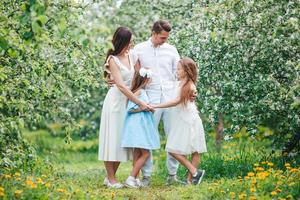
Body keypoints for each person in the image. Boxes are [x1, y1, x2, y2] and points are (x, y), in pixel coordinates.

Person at [98, 27, 152, 188]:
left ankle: (110, 177)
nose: (132, 44)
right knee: (112, 139)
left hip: (129, 101)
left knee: (123, 139)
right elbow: (121, 86)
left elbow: (139, 74)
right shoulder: (112, 60)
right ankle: (111, 179)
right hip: (115, 102)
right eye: (130, 41)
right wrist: (141, 103)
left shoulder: (132, 55)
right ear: (122, 41)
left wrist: (145, 82)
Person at [133, 20, 182, 186]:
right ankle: (146, 177)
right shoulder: (139, 49)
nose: (164, 40)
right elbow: (131, 72)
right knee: (146, 137)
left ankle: (172, 176)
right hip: (149, 99)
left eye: (167, 37)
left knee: (173, 135)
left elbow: (180, 73)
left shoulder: (172, 49)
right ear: (153, 33)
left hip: (171, 97)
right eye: (162, 37)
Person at [153, 57, 207, 185]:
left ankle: (193, 174)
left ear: (187, 70)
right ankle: (193, 175)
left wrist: (157, 105)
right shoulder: (180, 82)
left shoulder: (189, 85)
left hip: (188, 119)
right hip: (182, 118)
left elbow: (177, 101)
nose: (176, 71)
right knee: (175, 148)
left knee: (187, 149)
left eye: (179, 69)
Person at [121, 68, 160, 188]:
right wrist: (143, 108)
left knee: (137, 153)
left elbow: (142, 106)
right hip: (138, 126)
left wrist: (149, 108)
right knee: (145, 153)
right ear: (146, 79)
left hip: (143, 124)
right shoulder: (138, 92)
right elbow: (130, 109)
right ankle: (131, 178)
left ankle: (135, 179)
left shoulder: (142, 91)